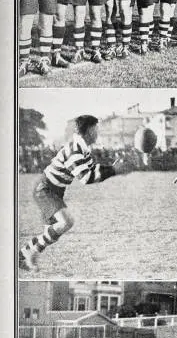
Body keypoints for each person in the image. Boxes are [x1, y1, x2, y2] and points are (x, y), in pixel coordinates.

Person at [19, 115, 116, 273]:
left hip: (54, 191)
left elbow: (92, 169)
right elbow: (85, 178)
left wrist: (109, 166)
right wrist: (113, 170)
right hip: (46, 190)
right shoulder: (75, 149)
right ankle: (32, 255)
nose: (98, 132)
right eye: (96, 129)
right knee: (66, 222)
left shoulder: (82, 148)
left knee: (51, 234)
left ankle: (22, 255)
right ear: (90, 131)